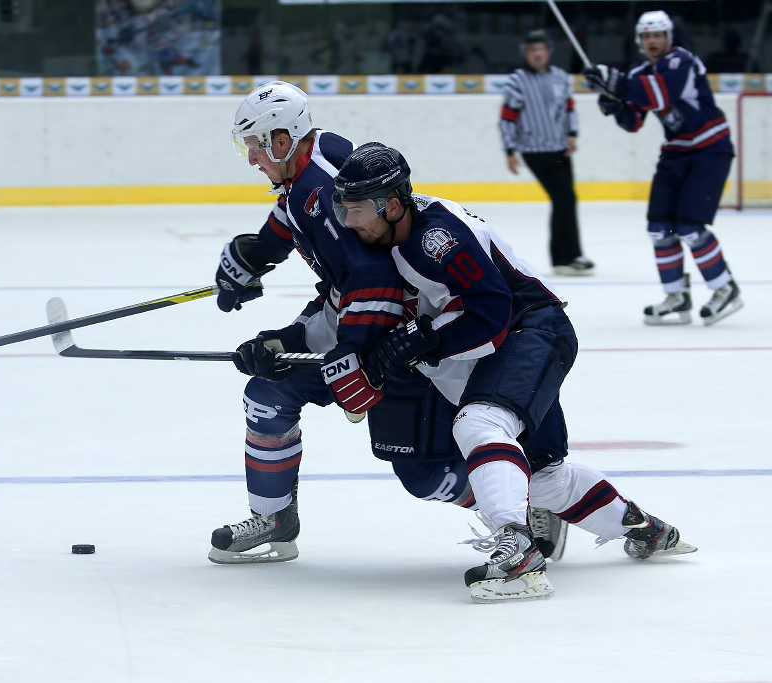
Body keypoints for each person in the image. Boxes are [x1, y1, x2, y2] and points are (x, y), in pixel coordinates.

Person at [210, 81, 571, 578]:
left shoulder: (323, 181)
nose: (251, 157)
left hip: (399, 336)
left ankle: (526, 507)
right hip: (360, 323)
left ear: (282, 140)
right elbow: (294, 214)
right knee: (268, 394)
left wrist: (351, 351)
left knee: (424, 474)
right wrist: (257, 255)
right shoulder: (313, 161)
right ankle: (274, 519)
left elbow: (375, 278)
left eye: (254, 145)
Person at [331, 141, 696, 602]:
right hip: (505, 342)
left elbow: (490, 310)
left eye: (358, 210)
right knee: (546, 478)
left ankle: (519, 551)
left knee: (479, 423)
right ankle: (646, 529)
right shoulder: (397, 233)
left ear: (393, 204)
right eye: (344, 209)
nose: (349, 222)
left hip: (531, 330)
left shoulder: (436, 237)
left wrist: (425, 339)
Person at [584, 10, 743, 326]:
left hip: (710, 149)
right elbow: (633, 121)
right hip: (675, 153)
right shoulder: (639, 72)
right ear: (639, 41)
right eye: (646, 36)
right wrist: (613, 102)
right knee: (659, 229)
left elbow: (660, 93)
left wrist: (617, 82)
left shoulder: (681, 61)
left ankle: (725, 288)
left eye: (657, 34)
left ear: (669, 37)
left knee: (690, 228)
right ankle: (676, 296)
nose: (652, 41)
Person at [500, 29, 594, 277]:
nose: (537, 54)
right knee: (564, 197)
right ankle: (568, 256)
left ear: (548, 52)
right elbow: (508, 117)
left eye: (541, 49)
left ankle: (565, 256)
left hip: (560, 148)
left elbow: (569, 108)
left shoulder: (560, 77)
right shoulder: (518, 81)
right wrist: (510, 150)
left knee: (565, 199)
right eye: (532, 50)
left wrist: (572, 134)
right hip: (534, 150)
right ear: (526, 53)